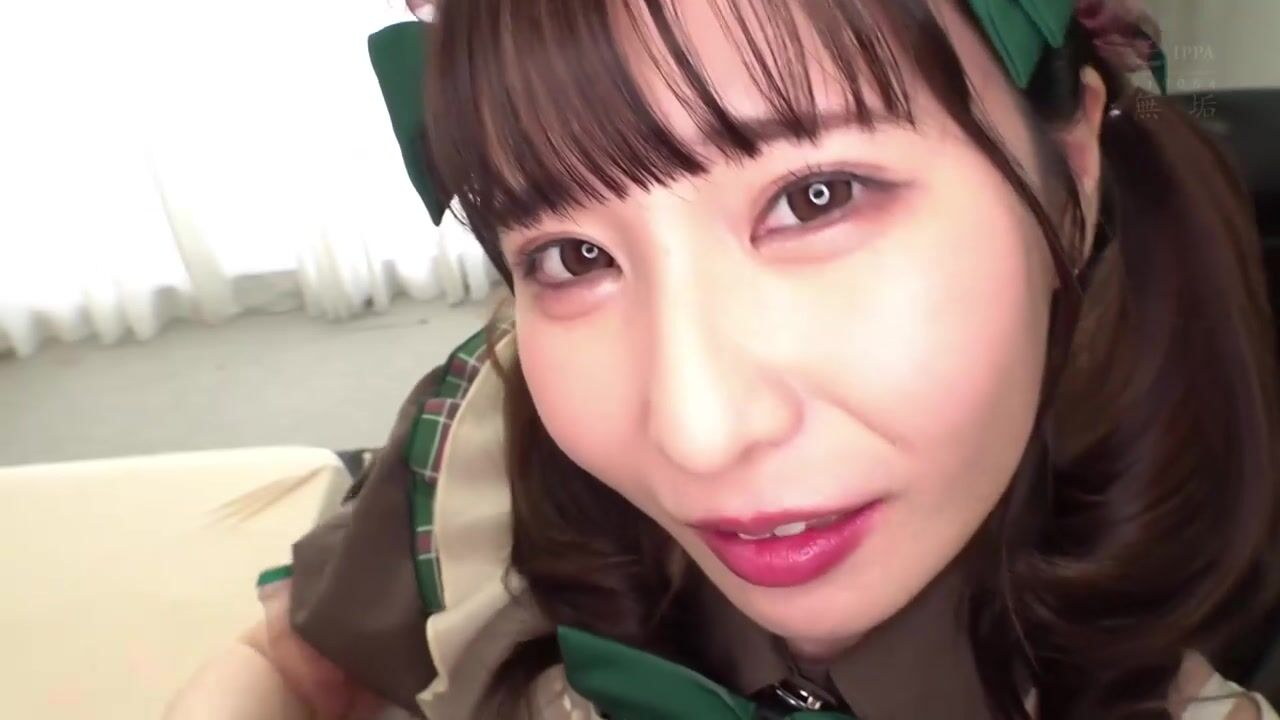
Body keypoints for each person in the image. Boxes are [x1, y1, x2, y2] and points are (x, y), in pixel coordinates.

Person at [167, 0, 1280, 718]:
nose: (695, 432)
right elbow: (292, 668)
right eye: (571, 255)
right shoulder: (486, 431)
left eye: (816, 196)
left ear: (1069, 167)